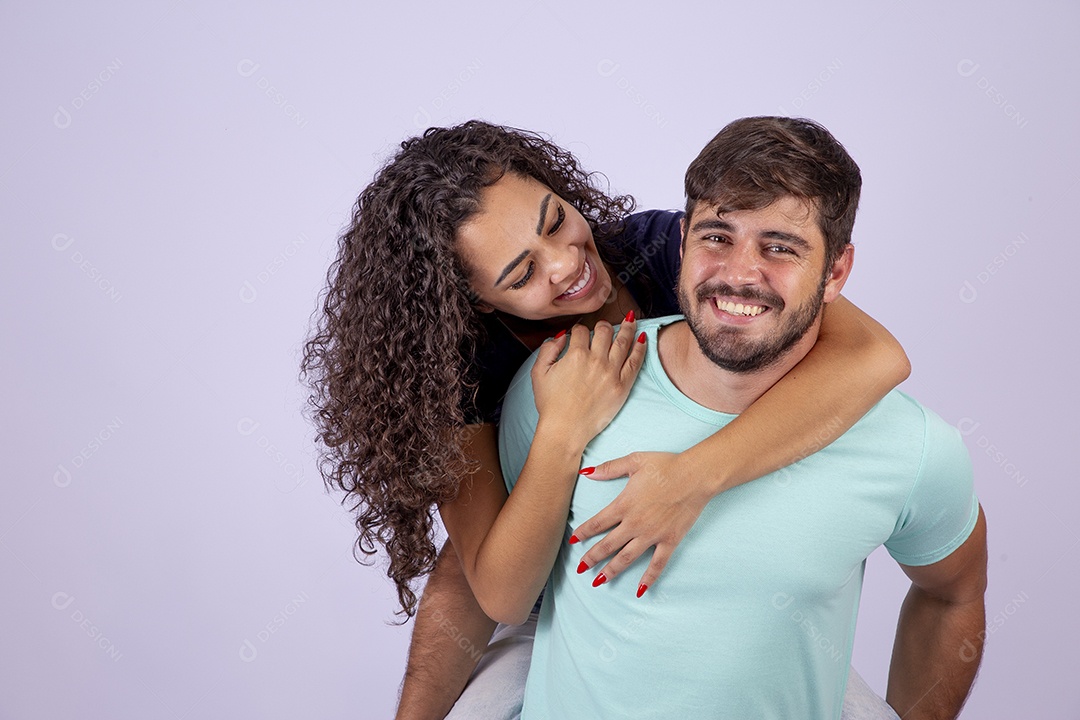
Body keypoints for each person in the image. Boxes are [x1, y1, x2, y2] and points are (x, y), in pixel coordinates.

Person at [299, 121, 910, 718]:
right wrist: (564, 429)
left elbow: (876, 356)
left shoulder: (671, 249)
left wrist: (689, 479)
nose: (564, 265)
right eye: (522, 273)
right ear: (479, 299)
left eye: (556, 222)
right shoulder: (463, 370)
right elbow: (489, 588)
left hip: (730, 575)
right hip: (560, 593)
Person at [497, 116, 988, 719]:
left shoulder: (912, 447)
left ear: (836, 272)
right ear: (681, 244)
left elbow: (953, 595)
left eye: (780, 247)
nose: (739, 273)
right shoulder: (562, 390)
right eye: (717, 237)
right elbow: (501, 592)